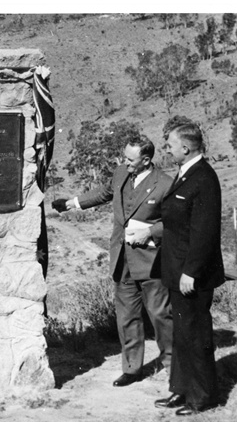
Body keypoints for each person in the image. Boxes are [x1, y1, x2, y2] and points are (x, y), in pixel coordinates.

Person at [52, 135, 173, 387]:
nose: (124, 162)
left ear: (146, 160)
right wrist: (72, 203)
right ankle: (132, 369)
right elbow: (104, 193)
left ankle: (173, 364)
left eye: (130, 159)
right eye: (124, 157)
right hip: (122, 260)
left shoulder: (165, 184)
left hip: (153, 262)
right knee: (127, 317)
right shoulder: (121, 173)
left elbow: (175, 222)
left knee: (160, 315)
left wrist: (151, 232)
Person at [152, 123, 224, 416]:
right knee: (181, 334)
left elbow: (204, 232)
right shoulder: (186, 173)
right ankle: (181, 390)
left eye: (170, 144)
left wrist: (191, 272)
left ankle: (202, 396)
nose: (166, 149)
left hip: (191, 274)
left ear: (186, 147)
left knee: (195, 335)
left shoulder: (204, 178)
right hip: (176, 267)